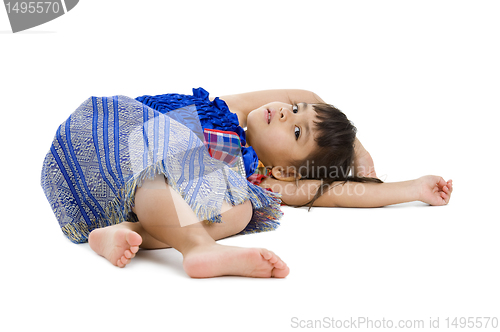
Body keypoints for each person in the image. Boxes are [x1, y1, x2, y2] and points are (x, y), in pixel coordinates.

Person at [41, 88, 453, 278]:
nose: (284, 113)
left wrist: (412, 188)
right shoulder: (230, 113)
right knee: (167, 157)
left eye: (296, 133)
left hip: (93, 206)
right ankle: (198, 251)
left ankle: (123, 233)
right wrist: (359, 148)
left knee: (240, 210)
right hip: (100, 138)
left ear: (288, 172)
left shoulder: (262, 179)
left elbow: (339, 192)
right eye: (293, 110)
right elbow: (308, 92)